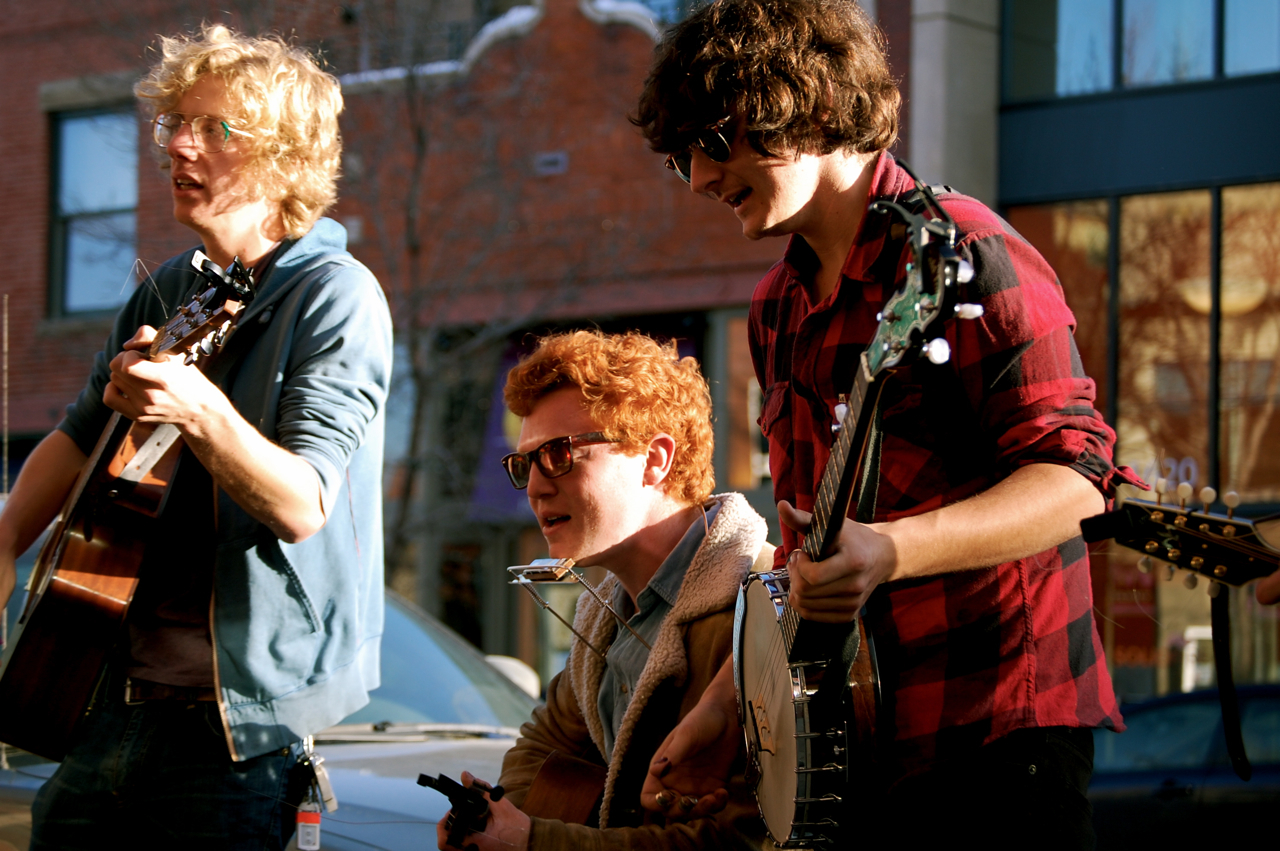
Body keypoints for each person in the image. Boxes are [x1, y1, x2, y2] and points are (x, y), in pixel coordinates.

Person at [630, 0, 1143, 844]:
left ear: (818, 107)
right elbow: (806, 555)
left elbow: (1080, 482)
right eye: (683, 157)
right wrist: (725, 705)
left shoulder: (969, 251)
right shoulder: (776, 307)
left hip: (998, 739)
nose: (700, 179)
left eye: (715, 142)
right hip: (857, 748)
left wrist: (893, 550)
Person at [0, 25, 391, 849]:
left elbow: (303, 503)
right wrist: (4, 541)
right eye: (174, 123)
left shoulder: (337, 297)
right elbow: (77, 434)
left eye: (214, 128)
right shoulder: (173, 288)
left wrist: (194, 407)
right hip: (99, 699)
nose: (178, 144)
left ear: (285, 155)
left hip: (231, 737)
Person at [436, 331, 768, 851]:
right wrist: (493, 822)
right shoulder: (604, 615)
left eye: (559, 454)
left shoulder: (760, 606)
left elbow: (742, 841)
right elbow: (544, 747)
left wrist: (533, 842)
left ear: (655, 459)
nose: (535, 487)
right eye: (524, 464)